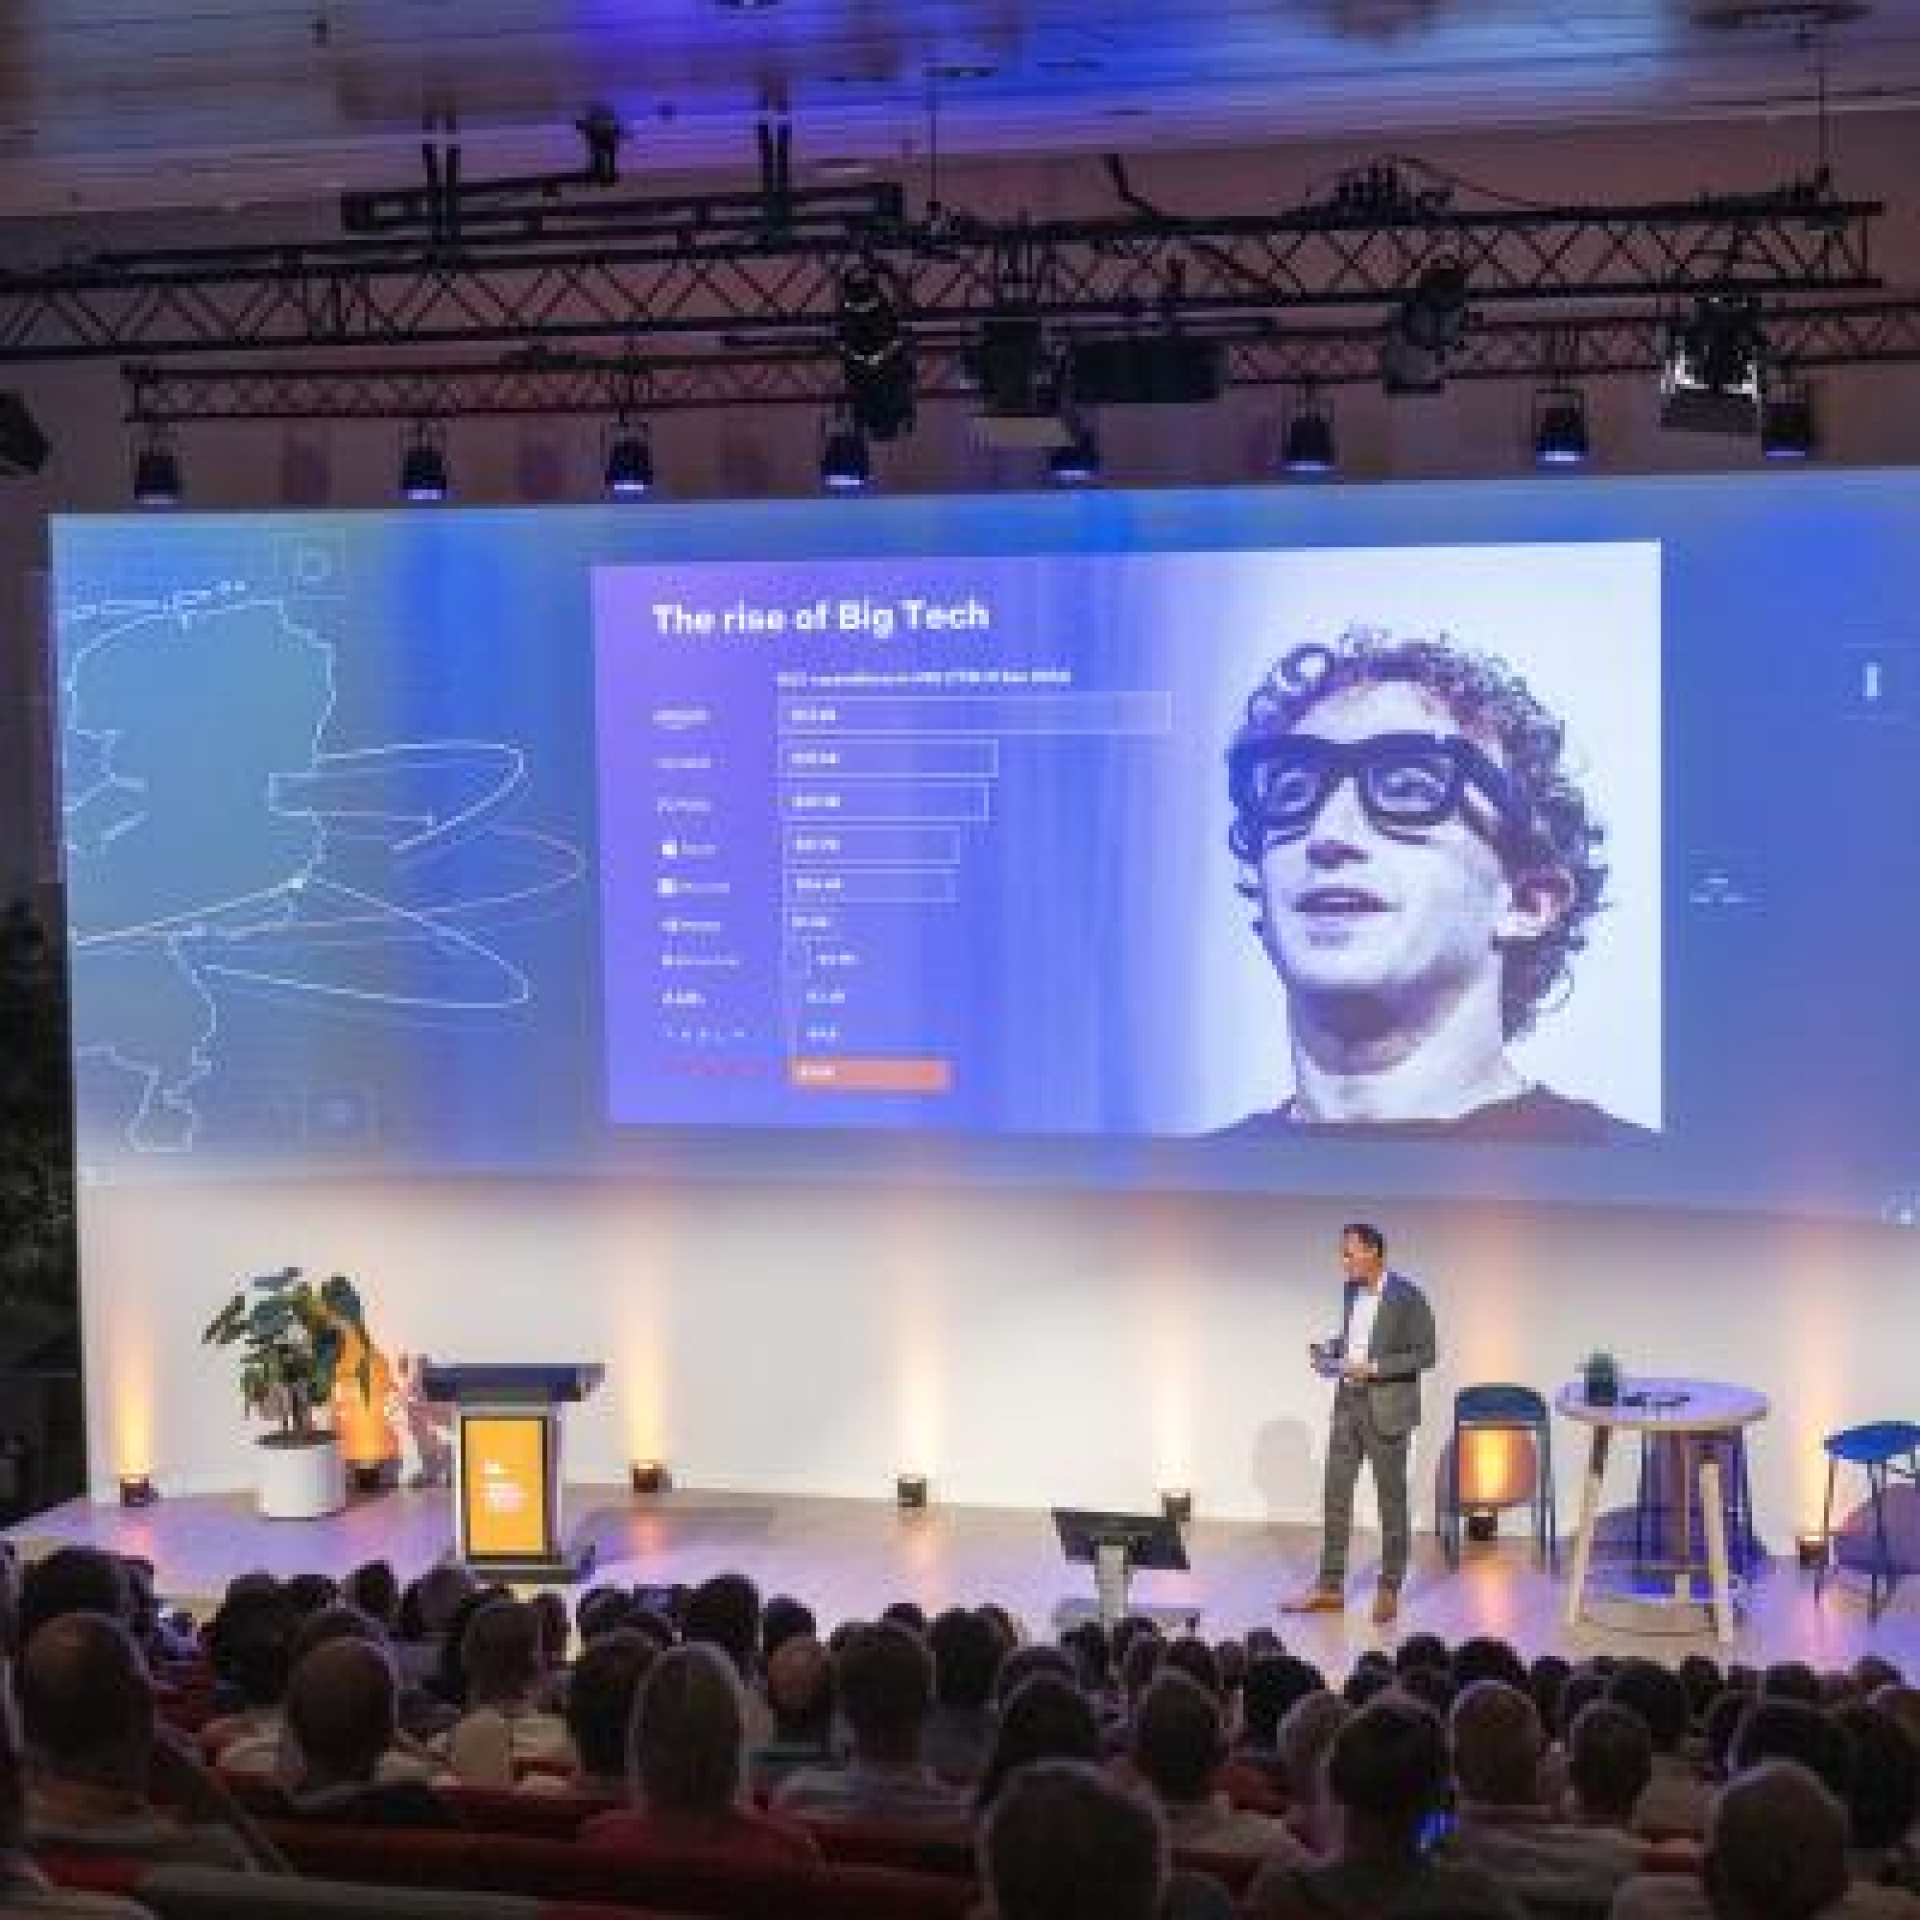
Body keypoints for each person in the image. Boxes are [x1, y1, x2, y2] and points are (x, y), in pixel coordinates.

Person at [1219, 629, 1637, 1140]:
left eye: (1408, 791)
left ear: (1526, 903)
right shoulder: (1178, 1177)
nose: (1327, 835)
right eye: (1293, 794)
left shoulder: (1638, 1173)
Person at [1282, 1222, 1437, 1624]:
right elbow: (1356, 1339)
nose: (1344, 1261)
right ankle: (1330, 1587)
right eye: (1343, 1253)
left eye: (1349, 1253)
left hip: (1387, 1409)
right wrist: (1330, 1350)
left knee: (1391, 1501)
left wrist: (1375, 1368)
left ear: (1374, 1252)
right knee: (1335, 1495)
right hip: (1348, 1404)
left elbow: (1426, 1354)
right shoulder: (1351, 1291)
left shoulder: (1408, 1296)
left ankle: (1389, 1586)